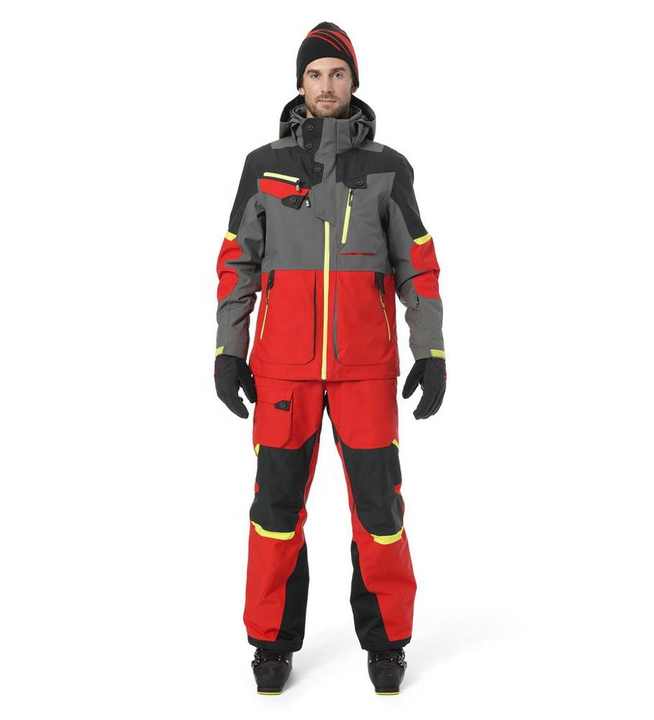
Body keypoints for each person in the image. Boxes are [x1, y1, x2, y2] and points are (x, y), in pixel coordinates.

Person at [213, 21, 446, 695]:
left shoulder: (387, 168)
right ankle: (271, 643)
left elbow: (417, 267)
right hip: (283, 372)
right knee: (274, 510)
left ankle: (387, 643)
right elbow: (237, 263)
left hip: (364, 373)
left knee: (380, 512)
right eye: (315, 74)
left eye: (337, 74)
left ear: (353, 83)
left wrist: (429, 349)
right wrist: (230, 350)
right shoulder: (263, 166)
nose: (325, 86)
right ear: (299, 83)